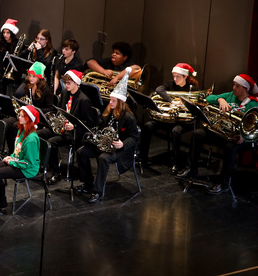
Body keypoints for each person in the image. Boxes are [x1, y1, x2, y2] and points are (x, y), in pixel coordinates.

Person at [178, 74, 258, 194]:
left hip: (242, 139)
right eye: (234, 84)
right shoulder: (230, 95)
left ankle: (224, 183)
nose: (233, 88)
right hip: (224, 133)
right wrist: (220, 100)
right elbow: (209, 98)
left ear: (245, 89)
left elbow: (255, 129)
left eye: (237, 86)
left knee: (230, 148)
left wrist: (244, 138)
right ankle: (192, 170)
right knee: (198, 134)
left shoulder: (253, 104)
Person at [75, 74, 140, 203]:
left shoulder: (128, 117)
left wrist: (122, 144)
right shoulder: (108, 113)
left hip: (119, 149)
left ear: (120, 102)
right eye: (110, 100)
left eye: (113, 101)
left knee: (103, 158)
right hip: (104, 145)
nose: (109, 103)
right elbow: (100, 127)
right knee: (81, 151)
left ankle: (98, 191)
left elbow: (134, 137)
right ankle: (88, 184)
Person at [45, 69, 99, 184]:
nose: (66, 85)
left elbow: (89, 123)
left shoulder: (84, 100)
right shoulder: (65, 93)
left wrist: (74, 126)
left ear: (76, 83)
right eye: (65, 83)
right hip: (62, 128)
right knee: (40, 135)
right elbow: (60, 110)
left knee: (51, 142)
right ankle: (44, 164)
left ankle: (56, 172)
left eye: (69, 83)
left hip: (74, 133)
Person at [0, 105, 41, 212]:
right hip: (18, 162)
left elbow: (28, 163)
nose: (19, 118)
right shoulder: (22, 131)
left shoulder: (31, 139)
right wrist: (12, 157)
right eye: (19, 115)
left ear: (29, 119)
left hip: (28, 169)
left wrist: (11, 162)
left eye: (23, 116)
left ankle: (1, 202)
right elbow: (18, 151)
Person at [143, 63, 199, 170]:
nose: (175, 79)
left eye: (178, 76)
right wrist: (172, 101)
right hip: (168, 120)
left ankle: (176, 162)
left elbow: (195, 108)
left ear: (185, 77)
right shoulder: (171, 84)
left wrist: (182, 105)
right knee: (148, 126)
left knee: (176, 131)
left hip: (183, 121)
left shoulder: (193, 89)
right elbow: (159, 90)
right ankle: (144, 157)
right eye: (174, 76)